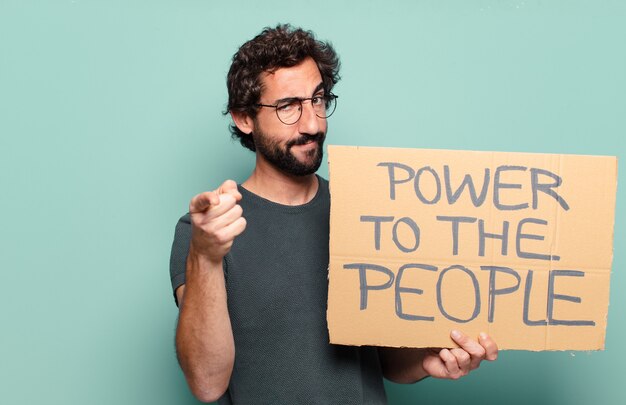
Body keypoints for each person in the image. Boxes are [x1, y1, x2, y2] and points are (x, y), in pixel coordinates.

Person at [169, 24, 498, 404]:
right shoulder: (206, 234)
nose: (313, 124)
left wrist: (428, 358)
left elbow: (388, 361)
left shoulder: (368, 213)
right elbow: (207, 383)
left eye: (318, 99)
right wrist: (207, 256)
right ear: (244, 118)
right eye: (288, 106)